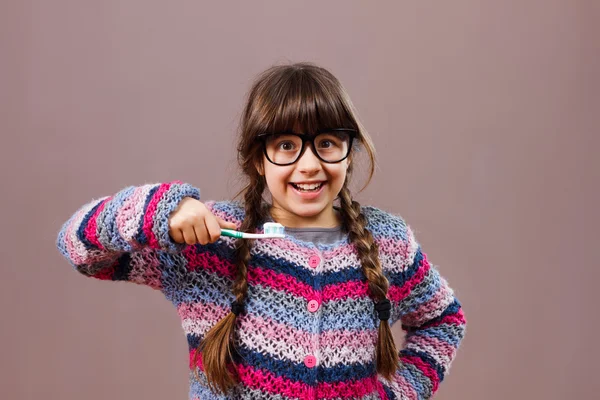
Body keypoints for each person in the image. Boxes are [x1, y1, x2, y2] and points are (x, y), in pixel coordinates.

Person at [56, 62, 466, 399]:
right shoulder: (211, 240)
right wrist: (161, 209)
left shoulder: (387, 241)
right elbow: (79, 246)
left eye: (327, 142)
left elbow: (443, 320)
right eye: (286, 145)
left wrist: (398, 395)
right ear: (257, 158)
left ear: (349, 151)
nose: (309, 165)